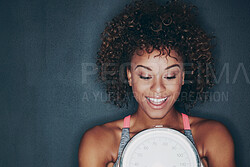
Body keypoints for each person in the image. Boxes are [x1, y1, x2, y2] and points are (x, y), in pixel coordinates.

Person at [78, 0, 235, 166]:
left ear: (183, 77)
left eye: (170, 76)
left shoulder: (212, 136)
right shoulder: (98, 141)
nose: (158, 88)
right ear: (130, 76)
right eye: (145, 76)